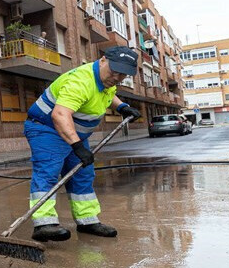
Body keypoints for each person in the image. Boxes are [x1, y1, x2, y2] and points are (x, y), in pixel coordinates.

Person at [25, 46, 142, 242]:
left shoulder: (106, 80)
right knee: (48, 171)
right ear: (103, 59)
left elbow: (108, 93)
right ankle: (44, 223)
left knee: (83, 174)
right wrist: (78, 146)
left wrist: (122, 107)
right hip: (47, 129)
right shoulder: (81, 81)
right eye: (114, 71)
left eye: (123, 75)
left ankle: (87, 220)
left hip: (72, 133)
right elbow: (60, 115)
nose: (117, 78)